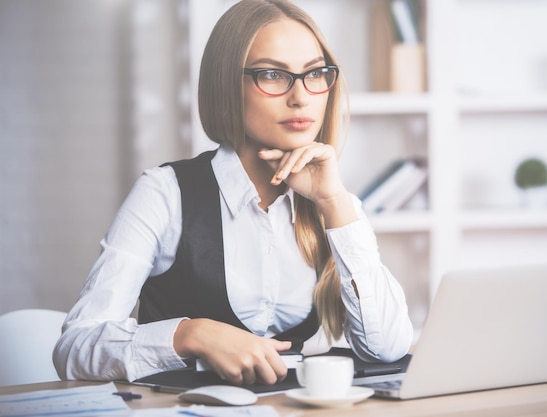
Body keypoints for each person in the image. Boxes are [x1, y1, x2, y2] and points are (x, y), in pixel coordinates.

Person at [53, 0, 413, 386]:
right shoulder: (165, 193)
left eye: (314, 74)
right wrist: (190, 334)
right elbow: (74, 347)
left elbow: (387, 349)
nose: (301, 97)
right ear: (227, 84)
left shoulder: (332, 202)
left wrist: (334, 203)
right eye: (273, 74)